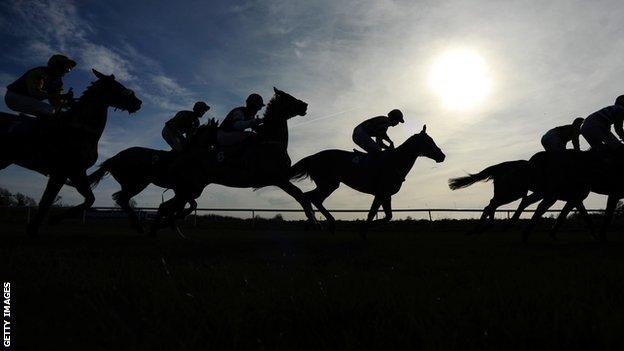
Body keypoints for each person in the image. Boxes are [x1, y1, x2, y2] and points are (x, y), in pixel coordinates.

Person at [5, 54, 76, 117]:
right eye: (65, 67)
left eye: (69, 69)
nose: (66, 71)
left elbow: (55, 102)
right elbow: (35, 93)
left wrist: (69, 104)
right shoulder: (40, 73)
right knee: (50, 111)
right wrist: (61, 96)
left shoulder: (58, 82)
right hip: (14, 97)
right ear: (55, 64)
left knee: (56, 112)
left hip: (29, 100)